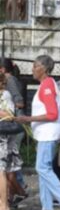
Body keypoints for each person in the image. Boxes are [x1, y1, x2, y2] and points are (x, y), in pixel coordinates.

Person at [14, 55, 60, 210]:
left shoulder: (47, 85)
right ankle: (47, 208)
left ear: (44, 69)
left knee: (43, 168)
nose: (33, 69)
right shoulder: (47, 84)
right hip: (45, 134)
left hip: (48, 134)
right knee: (43, 169)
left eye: (35, 66)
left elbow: (52, 114)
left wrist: (28, 119)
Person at [0, 57, 27, 201]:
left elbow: (20, 103)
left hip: (11, 128)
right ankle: (13, 195)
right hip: (8, 128)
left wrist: (7, 111)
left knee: (9, 166)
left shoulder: (9, 82)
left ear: (2, 70)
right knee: (9, 166)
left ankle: (19, 191)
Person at [0, 74, 22, 210]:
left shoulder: (5, 94)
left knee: (1, 170)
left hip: (3, 135)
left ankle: (4, 205)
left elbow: (9, 114)